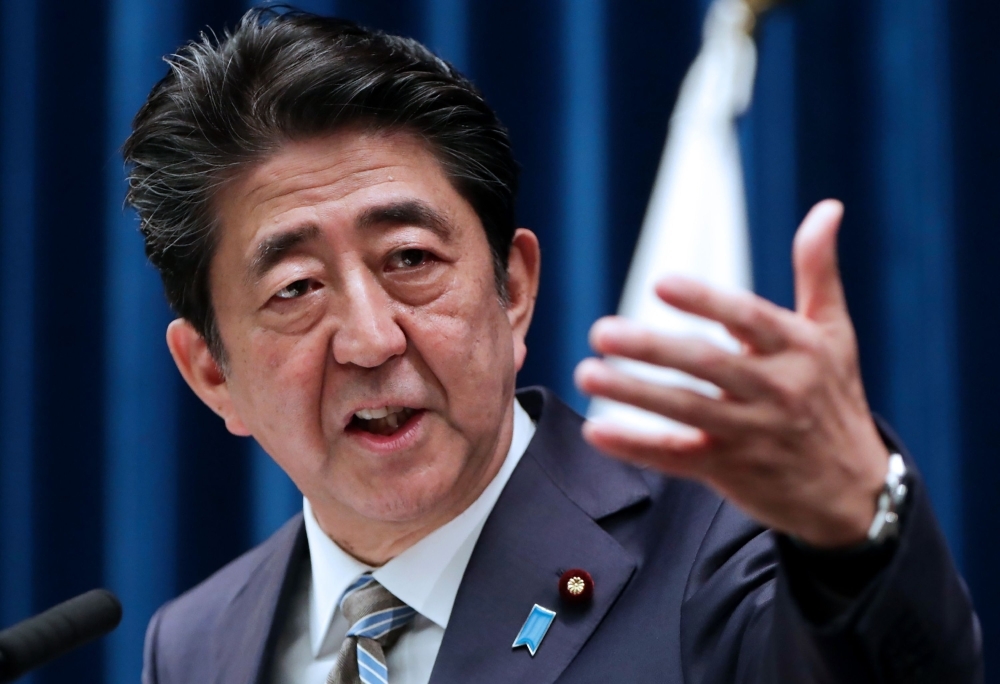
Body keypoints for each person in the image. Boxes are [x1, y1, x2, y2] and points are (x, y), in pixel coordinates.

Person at [125, 9, 982, 684]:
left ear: (513, 290)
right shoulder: (197, 641)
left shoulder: (717, 551)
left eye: (412, 261)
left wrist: (858, 527)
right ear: (212, 373)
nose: (371, 338)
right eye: (296, 290)